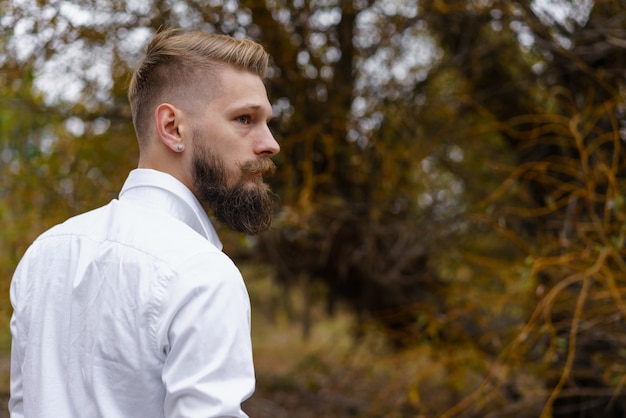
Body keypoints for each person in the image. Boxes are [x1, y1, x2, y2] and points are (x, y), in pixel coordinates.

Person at [9, 28, 280, 417]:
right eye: (244, 119)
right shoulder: (201, 274)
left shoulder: (45, 253)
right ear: (172, 128)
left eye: (266, 121)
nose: (270, 143)